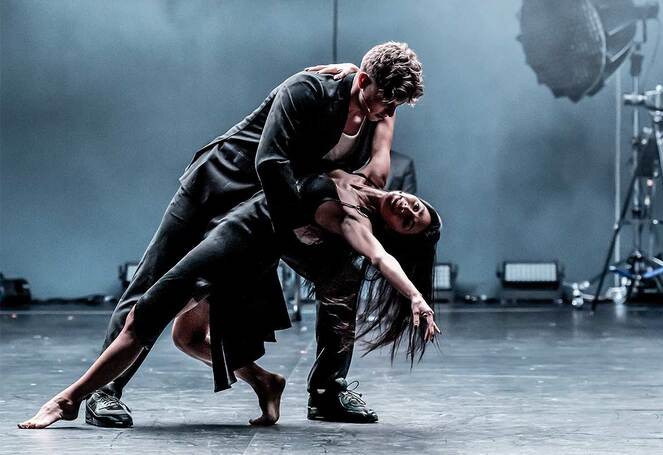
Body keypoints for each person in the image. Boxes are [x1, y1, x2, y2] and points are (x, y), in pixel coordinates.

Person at [40, 41, 424, 428]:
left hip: (268, 206)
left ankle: (327, 390)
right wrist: (298, 225)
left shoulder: (377, 114)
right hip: (220, 187)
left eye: (395, 106)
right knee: (156, 280)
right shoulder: (308, 89)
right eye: (386, 101)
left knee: (342, 278)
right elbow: (270, 161)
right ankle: (105, 393)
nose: (388, 111)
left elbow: (373, 177)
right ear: (362, 80)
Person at [17, 168, 442, 429]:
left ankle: (68, 399)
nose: (407, 207)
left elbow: (381, 258)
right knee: (185, 336)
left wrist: (415, 297)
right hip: (234, 230)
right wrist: (359, 73)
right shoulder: (372, 175)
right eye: (416, 207)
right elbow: (384, 117)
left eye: (408, 221)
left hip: (236, 243)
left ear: (392, 231)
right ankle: (263, 381)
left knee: (145, 316)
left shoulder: (356, 224)